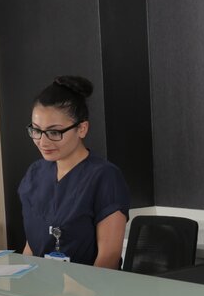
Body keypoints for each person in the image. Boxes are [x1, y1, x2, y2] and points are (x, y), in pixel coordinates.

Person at [19, 76, 130, 268]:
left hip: (89, 284)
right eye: (36, 130)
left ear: (82, 129)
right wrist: (23, 278)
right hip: (40, 282)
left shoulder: (105, 177)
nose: (42, 142)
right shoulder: (35, 173)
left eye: (54, 132)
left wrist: (79, 288)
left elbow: (109, 257)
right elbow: (32, 245)